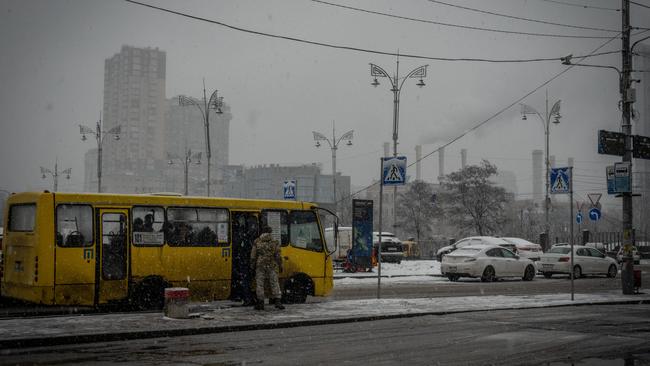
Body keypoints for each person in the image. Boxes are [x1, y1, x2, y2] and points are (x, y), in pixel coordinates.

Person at [250, 225, 284, 310]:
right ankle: (278, 301)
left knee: (260, 283)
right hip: (272, 264)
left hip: (260, 265)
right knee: (274, 282)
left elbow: (253, 256)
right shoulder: (275, 241)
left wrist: (252, 266)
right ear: (270, 232)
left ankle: (260, 303)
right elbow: (278, 255)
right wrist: (280, 265)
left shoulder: (257, 241)